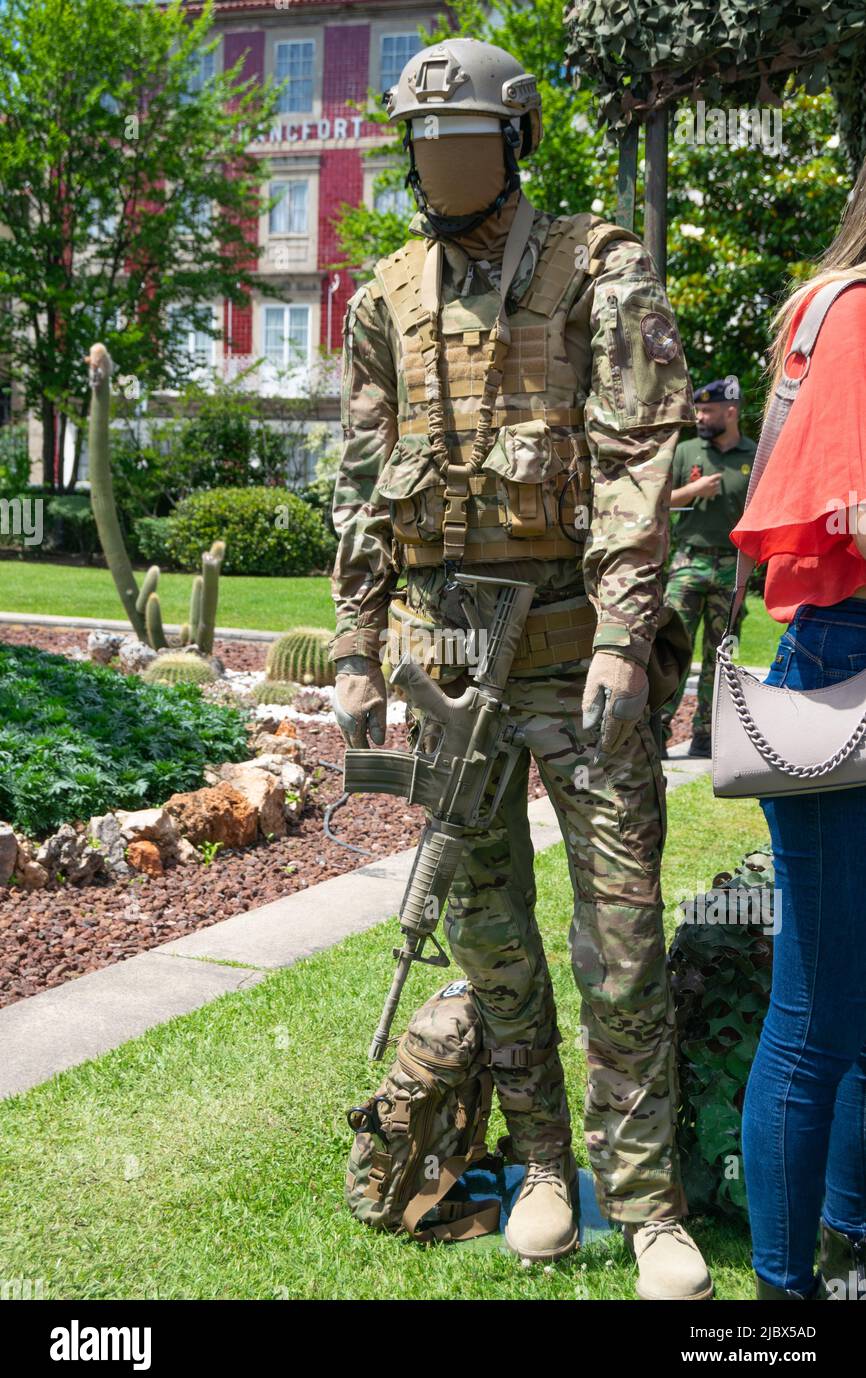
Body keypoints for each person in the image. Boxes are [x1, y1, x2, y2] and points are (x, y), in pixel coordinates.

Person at [329, 36, 711, 1299]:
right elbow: (358, 480)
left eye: (462, 142)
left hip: (573, 646)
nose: (439, 165)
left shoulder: (597, 272)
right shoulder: (382, 299)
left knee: (620, 937)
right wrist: (353, 643)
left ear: (513, 144)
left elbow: (637, 458)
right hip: (449, 654)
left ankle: (647, 1203)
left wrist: (618, 633)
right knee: (488, 933)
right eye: (422, 146)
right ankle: (544, 1166)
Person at [730, 160, 866, 1299]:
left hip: (838, 659)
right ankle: (782, 1302)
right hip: (844, 668)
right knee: (817, 1015)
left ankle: (845, 1250)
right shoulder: (857, 313)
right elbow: (849, 509)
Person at [660, 377, 755, 757]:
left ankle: (707, 734)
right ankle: (658, 729)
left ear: (730, 411)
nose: (699, 416)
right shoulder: (685, 452)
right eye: (698, 409)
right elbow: (658, 500)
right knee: (671, 648)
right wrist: (693, 491)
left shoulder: (753, 455)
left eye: (707, 410)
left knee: (722, 653)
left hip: (732, 569)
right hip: (688, 562)